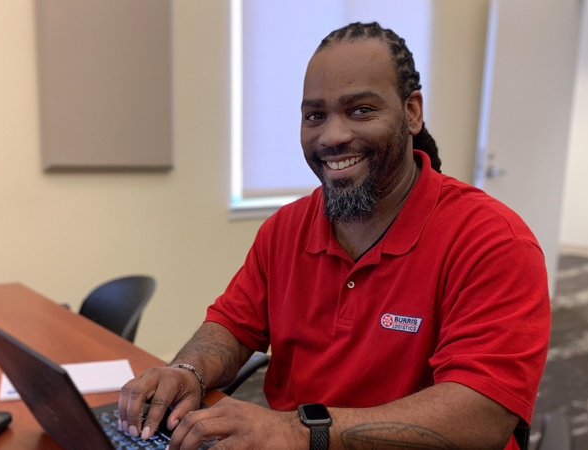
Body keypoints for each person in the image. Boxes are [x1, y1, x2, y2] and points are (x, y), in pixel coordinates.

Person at [119, 22, 550, 450]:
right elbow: (232, 325)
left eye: (360, 110)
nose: (332, 136)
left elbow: (483, 415)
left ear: (412, 112)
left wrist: (296, 431)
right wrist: (187, 370)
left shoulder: (494, 241)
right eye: (315, 116)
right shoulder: (285, 229)